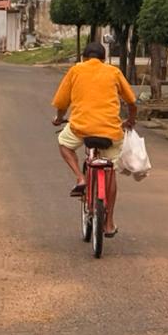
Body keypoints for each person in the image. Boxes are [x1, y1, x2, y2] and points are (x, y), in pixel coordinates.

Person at [51, 40, 136, 237]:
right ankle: (108, 223)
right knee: (110, 171)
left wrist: (58, 119)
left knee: (64, 144)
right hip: (110, 130)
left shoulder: (76, 70)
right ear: (104, 59)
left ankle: (80, 178)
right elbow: (131, 101)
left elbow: (62, 103)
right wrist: (130, 120)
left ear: (83, 58)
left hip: (81, 128)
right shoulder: (113, 72)